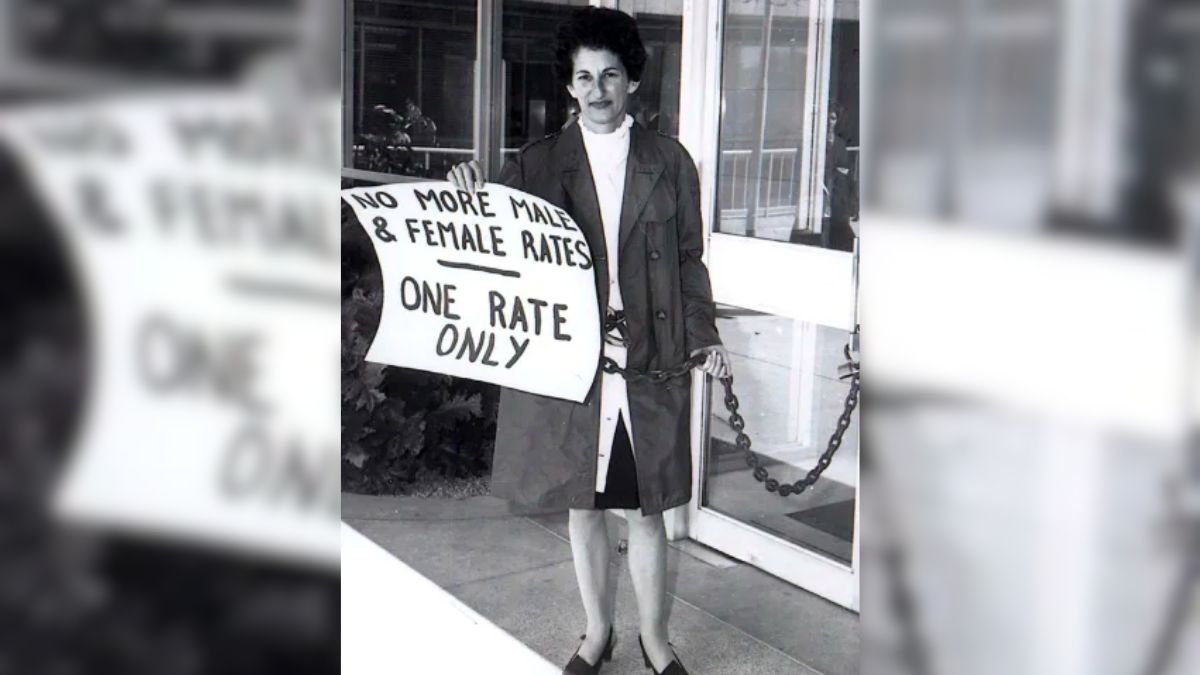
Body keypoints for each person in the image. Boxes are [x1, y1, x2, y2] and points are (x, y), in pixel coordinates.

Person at [446, 8, 729, 675]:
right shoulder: (539, 164)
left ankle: (655, 643)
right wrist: (466, 190)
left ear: (632, 80)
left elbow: (690, 259)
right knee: (583, 502)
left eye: (610, 75)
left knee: (646, 509)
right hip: (574, 364)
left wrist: (703, 332)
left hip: (647, 360)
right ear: (568, 86)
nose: (597, 89)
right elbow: (495, 240)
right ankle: (596, 633)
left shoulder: (670, 162)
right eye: (583, 77)